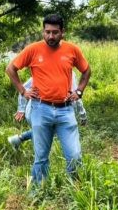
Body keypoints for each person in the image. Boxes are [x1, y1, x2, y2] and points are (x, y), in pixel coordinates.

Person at [6, 13, 91, 185]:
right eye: (47, 32)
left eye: (55, 32)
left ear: (62, 32)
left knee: (74, 155)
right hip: (40, 109)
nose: (50, 36)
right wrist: (23, 91)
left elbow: (86, 71)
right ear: (43, 31)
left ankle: (76, 190)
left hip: (66, 110)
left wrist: (79, 92)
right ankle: (38, 191)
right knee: (41, 157)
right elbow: (11, 69)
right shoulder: (33, 49)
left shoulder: (72, 50)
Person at [7, 75, 87, 150]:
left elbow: (76, 95)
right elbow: (76, 96)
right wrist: (82, 114)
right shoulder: (49, 72)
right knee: (51, 129)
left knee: (47, 130)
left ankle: (19, 139)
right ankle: (20, 139)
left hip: (38, 110)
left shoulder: (65, 73)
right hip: (40, 110)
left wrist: (21, 109)